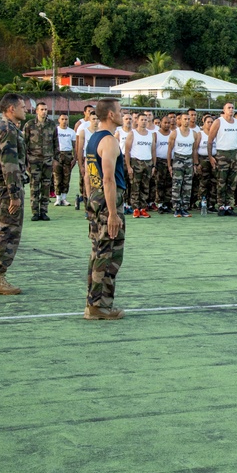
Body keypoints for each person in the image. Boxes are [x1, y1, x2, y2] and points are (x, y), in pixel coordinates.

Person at [84, 98, 126, 320]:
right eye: (120, 111)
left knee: (97, 251)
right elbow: (108, 179)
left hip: (96, 198)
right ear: (110, 114)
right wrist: (112, 213)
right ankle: (100, 306)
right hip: (109, 198)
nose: (122, 114)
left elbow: (87, 174)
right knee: (108, 253)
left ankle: (92, 303)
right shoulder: (109, 141)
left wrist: (90, 199)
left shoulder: (93, 138)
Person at [0, 94, 28, 296]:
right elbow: (9, 165)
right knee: (9, 233)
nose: (25, 109)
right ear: (11, 109)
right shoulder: (9, 131)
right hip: (7, 187)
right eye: (22, 106)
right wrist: (14, 195)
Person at [23, 102, 57, 222]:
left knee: (46, 186)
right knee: (34, 186)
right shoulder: (29, 125)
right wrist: (25, 162)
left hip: (48, 160)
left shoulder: (52, 125)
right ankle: (35, 212)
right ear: (37, 111)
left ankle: (44, 211)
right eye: (42, 109)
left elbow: (55, 143)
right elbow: (24, 144)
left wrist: (55, 160)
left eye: (46, 109)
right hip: (34, 160)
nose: (44, 111)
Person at [208, 102, 237, 217]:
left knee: (232, 183)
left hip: (235, 154)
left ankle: (229, 205)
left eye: (233, 108)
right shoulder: (218, 122)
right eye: (229, 108)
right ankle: (221, 205)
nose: (231, 110)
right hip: (222, 154)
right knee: (221, 181)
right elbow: (210, 140)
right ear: (224, 109)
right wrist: (210, 157)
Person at [125, 113, 156, 218]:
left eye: (146, 120)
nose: (144, 121)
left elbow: (153, 151)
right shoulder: (132, 133)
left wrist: (153, 166)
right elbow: (127, 151)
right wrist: (129, 166)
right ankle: (135, 208)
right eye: (142, 119)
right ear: (137, 121)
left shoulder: (151, 134)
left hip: (147, 163)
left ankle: (143, 208)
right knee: (135, 187)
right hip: (136, 162)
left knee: (145, 187)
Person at [168, 112, 198, 218]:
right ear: (180, 120)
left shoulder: (194, 134)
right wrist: (169, 165)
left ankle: (185, 208)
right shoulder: (175, 133)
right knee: (177, 185)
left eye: (188, 119)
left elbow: (194, 150)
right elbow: (170, 149)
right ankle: (177, 208)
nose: (187, 121)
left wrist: (195, 164)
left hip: (189, 160)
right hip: (178, 160)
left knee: (187, 186)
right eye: (185, 119)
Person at [53, 114, 77, 206]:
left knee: (66, 178)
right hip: (57, 155)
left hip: (67, 155)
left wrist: (75, 158)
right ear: (59, 120)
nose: (64, 121)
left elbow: (75, 146)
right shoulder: (55, 130)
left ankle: (64, 198)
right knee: (57, 177)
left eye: (66, 119)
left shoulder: (71, 132)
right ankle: (58, 198)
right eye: (62, 119)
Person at [152, 115, 172, 213]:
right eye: (165, 123)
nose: (167, 125)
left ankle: (167, 204)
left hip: (170, 161)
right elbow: (153, 150)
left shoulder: (172, 134)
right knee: (159, 183)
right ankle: (159, 204)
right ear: (160, 123)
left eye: (168, 123)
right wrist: (154, 164)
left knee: (169, 183)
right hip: (159, 161)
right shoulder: (156, 134)